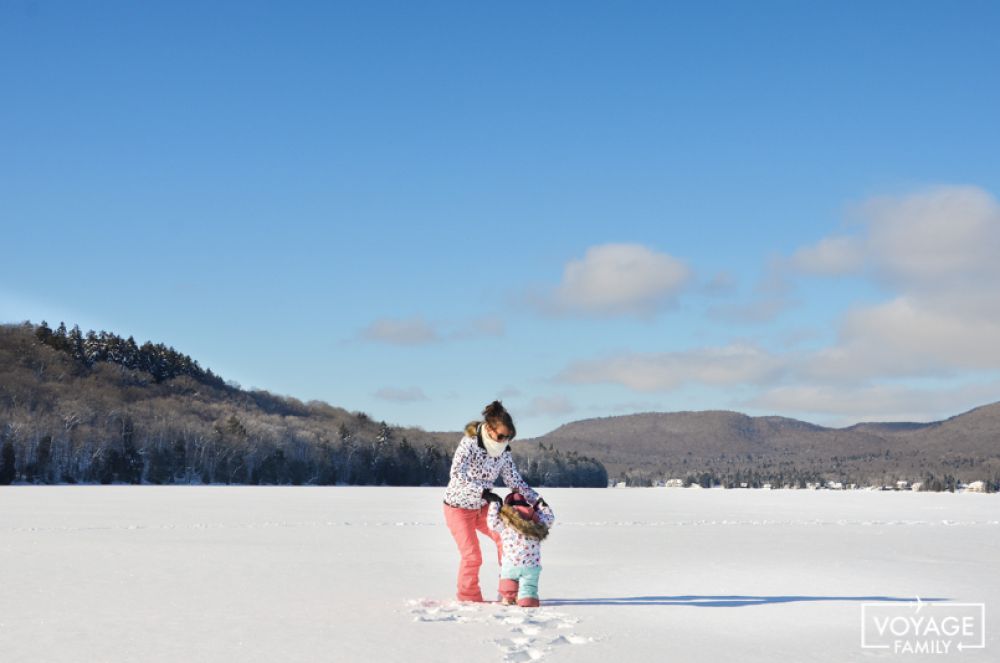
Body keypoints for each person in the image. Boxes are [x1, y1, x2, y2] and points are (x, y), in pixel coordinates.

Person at [442, 400, 540, 603]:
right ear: (489, 428)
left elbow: (514, 480)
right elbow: (456, 475)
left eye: (509, 437)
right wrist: (482, 492)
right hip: (457, 507)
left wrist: (536, 500)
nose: (504, 440)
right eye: (501, 435)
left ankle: (508, 593)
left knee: (507, 541)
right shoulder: (469, 443)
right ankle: (469, 598)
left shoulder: (503, 452)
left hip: (483, 507)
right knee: (472, 555)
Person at [484, 491, 554, 608]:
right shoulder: (537, 520)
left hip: (511, 563)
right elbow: (550, 518)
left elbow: (492, 522)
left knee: (508, 582)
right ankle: (527, 600)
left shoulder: (505, 521)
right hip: (531, 565)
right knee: (529, 587)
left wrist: (494, 503)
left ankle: (508, 598)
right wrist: (540, 504)